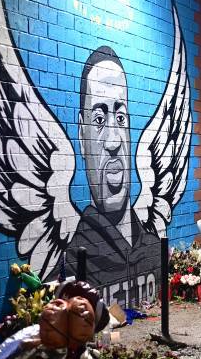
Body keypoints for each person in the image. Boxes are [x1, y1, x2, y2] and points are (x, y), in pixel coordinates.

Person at [48, 47, 160, 305]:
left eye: (121, 118)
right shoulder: (72, 267)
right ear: (81, 137)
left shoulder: (154, 250)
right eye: (99, 119)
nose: (113, 141)